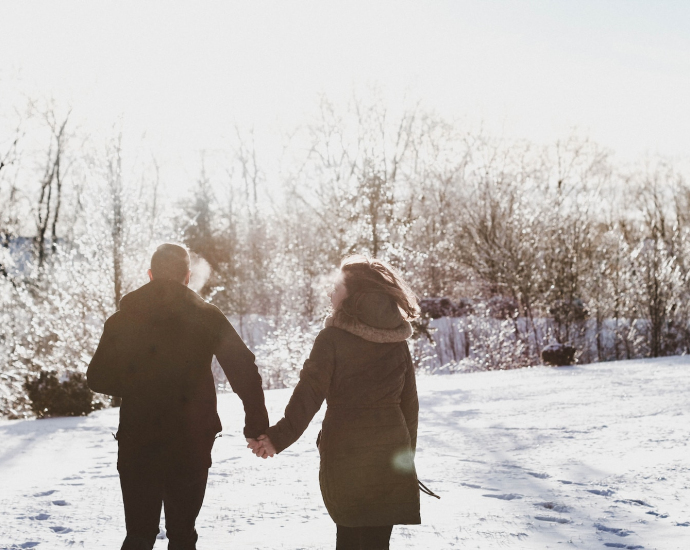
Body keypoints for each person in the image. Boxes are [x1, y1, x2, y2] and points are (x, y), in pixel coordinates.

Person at [87, 243, 269, 550]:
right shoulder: (207, 317)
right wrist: (256, 424)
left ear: (149, 275)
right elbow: (244, 370)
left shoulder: (123, 319)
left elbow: (97, 377)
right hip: (192, 440)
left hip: (138, 439)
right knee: (183, 535)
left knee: (139, 535)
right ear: (186, 276)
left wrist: (140, 384)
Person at [248, 255, 421, 550]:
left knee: (350, 538)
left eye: (337, 288)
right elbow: (410, 406)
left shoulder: (332, 338)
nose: (331, 294)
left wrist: (276, 438)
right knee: (378, 543)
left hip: (347, 452)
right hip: (391, 452)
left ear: (354, 295)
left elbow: (308, 395)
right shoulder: (396, 339)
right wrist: (405, 459)